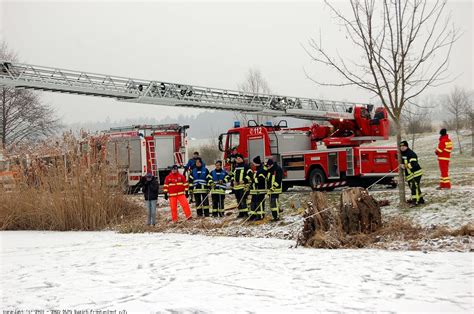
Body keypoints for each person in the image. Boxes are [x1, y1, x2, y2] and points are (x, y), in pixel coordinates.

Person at [400, 141, 425, 206]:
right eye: (401, 146)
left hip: (416, 173)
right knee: (414, 187)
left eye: (403, 146)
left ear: (407, 146)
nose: (402, 148)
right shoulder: (402, 153)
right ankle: (421, 200)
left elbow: (414, 164)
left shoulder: (411, 154)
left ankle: (415, 201)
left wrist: (405, 166)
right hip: (410, 174)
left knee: (414, 187)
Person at [232, 154, 253, 218]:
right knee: (238, 200)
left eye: (239, 158)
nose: (238, 160)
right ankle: (240, 213)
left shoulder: (246, 166)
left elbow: (250, 174)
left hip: (243, 186)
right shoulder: (235, 167)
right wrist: (233, 181)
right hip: (236, 187)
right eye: (236, 159)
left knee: (243, 200)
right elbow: (232, 175)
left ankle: (245, 213)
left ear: (242, 159)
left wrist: (244, 180)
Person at [249, 156, 268, 220]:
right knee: (253, 202)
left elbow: (261, 179)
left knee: (259, 202)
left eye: (253, 163)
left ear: (256, 163)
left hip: (260, 189)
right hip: (255, 189)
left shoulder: (261, 170)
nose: (253, 164)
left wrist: (254, 180)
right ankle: (253, 215)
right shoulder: (257, 169)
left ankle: (260, 215)